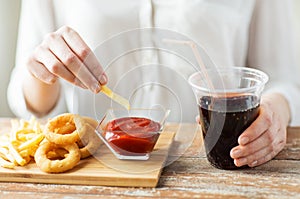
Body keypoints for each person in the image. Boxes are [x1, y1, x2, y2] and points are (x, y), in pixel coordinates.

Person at [7, 0, 300, 168]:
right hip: (96, 170)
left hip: (216, 167)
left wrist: (277, 111)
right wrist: (42, 72)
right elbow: (30, 100)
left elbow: (286, 82)